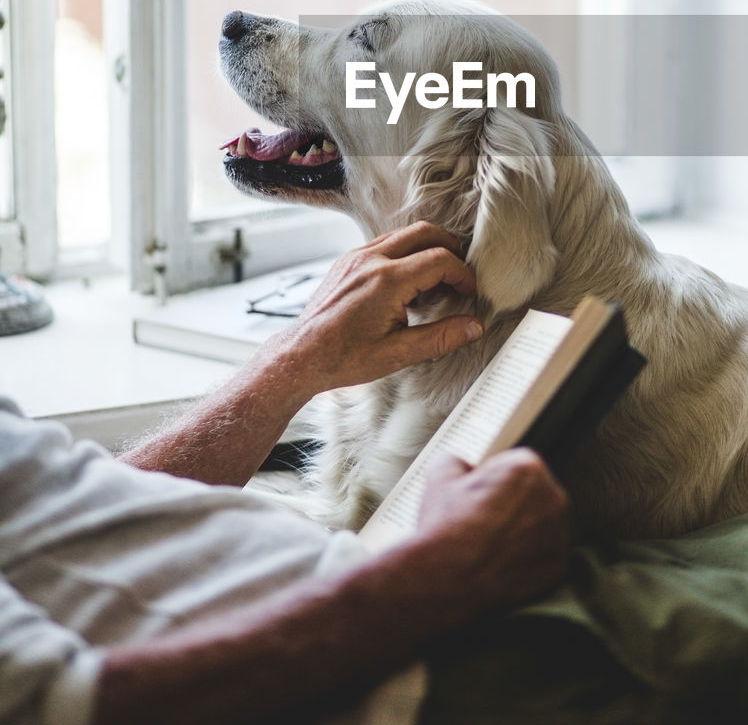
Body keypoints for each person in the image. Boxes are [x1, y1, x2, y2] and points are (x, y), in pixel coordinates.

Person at [0, 222, 571, 725]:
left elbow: (68, 519)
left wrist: (299, 357)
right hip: (427, 677)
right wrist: (438, 574)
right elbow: (67, 708)